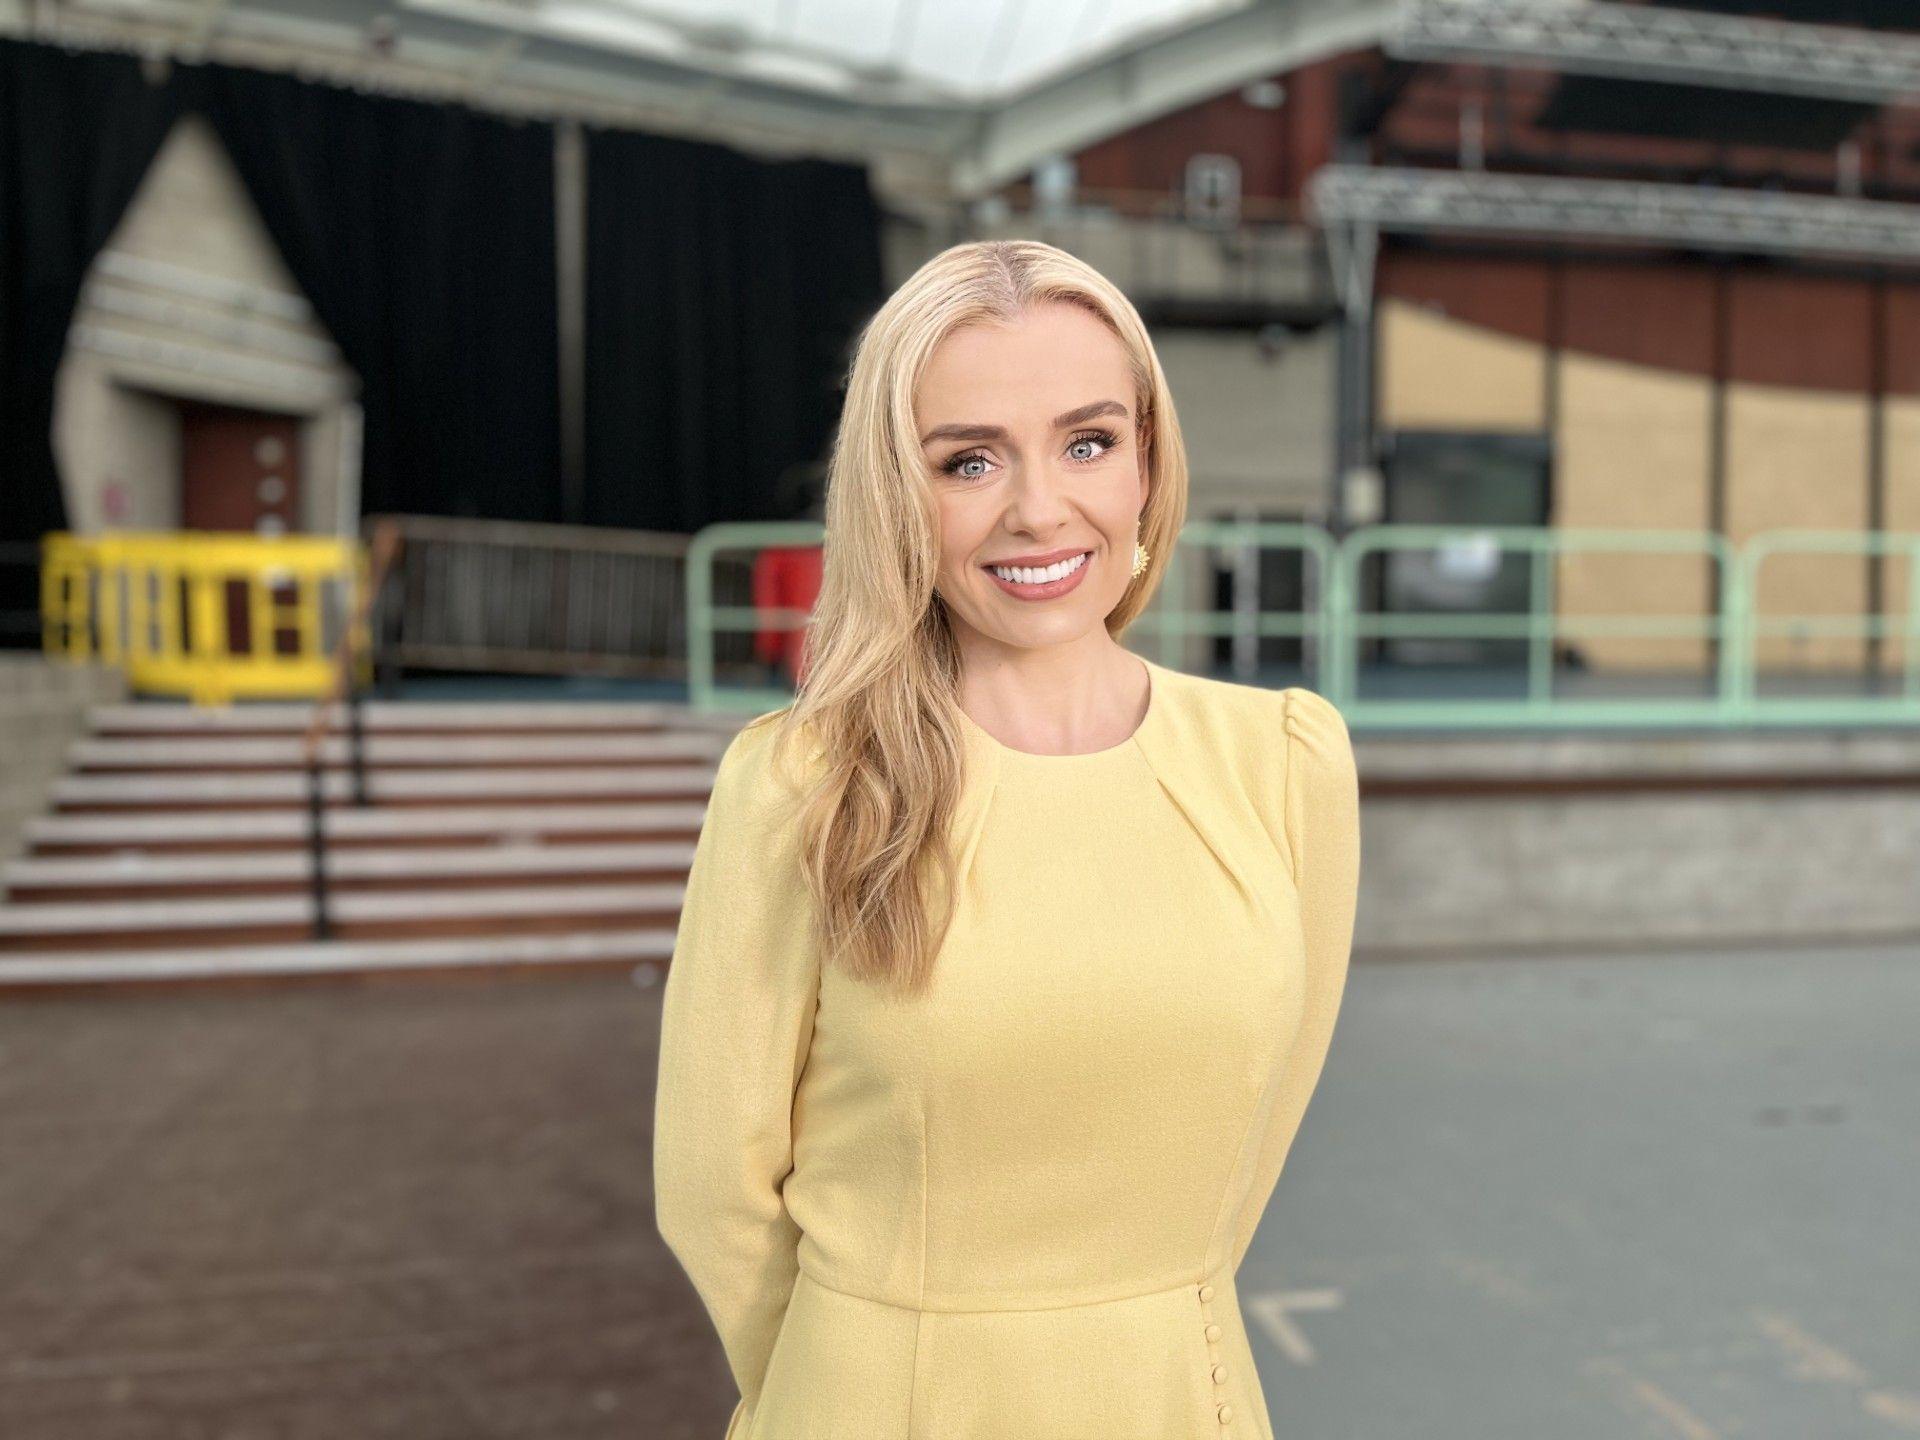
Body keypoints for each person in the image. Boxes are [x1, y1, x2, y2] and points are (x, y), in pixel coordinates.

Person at [653, 238, 1361, 1440]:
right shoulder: (801, 783)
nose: (1041, 508)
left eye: (1089, 442)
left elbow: (1255, 1146)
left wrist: (1144, 1319)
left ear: (1147, 460)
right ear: (896, 494)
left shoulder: (1285, 763)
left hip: (1177, 1395)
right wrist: (851, 1375)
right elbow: (713, 1190)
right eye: (969, 460)